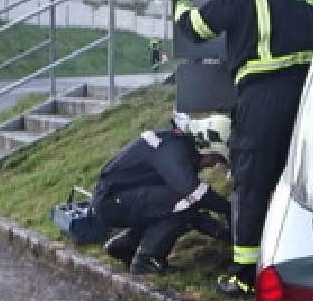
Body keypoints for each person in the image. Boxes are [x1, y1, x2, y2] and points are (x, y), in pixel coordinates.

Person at [171, 0, 313, 298]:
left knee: (253, 181)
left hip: (263, 98)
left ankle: (245, 275)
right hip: (309, 97)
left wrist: (180, 3)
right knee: (301, 180)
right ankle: (298, 263)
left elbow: (197, 29)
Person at [91, 114, 233, 276]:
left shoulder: (176, 144)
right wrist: (227, 208)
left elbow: (190, 212)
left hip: (117, 198)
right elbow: (193, 193)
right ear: (207, 145)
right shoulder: (174, 150)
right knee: (183, 201)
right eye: (217, 158)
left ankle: (127, 245)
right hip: (111, 203)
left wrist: (222, 232)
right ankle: (146, 261)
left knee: (177, 206)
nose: (214, 165)